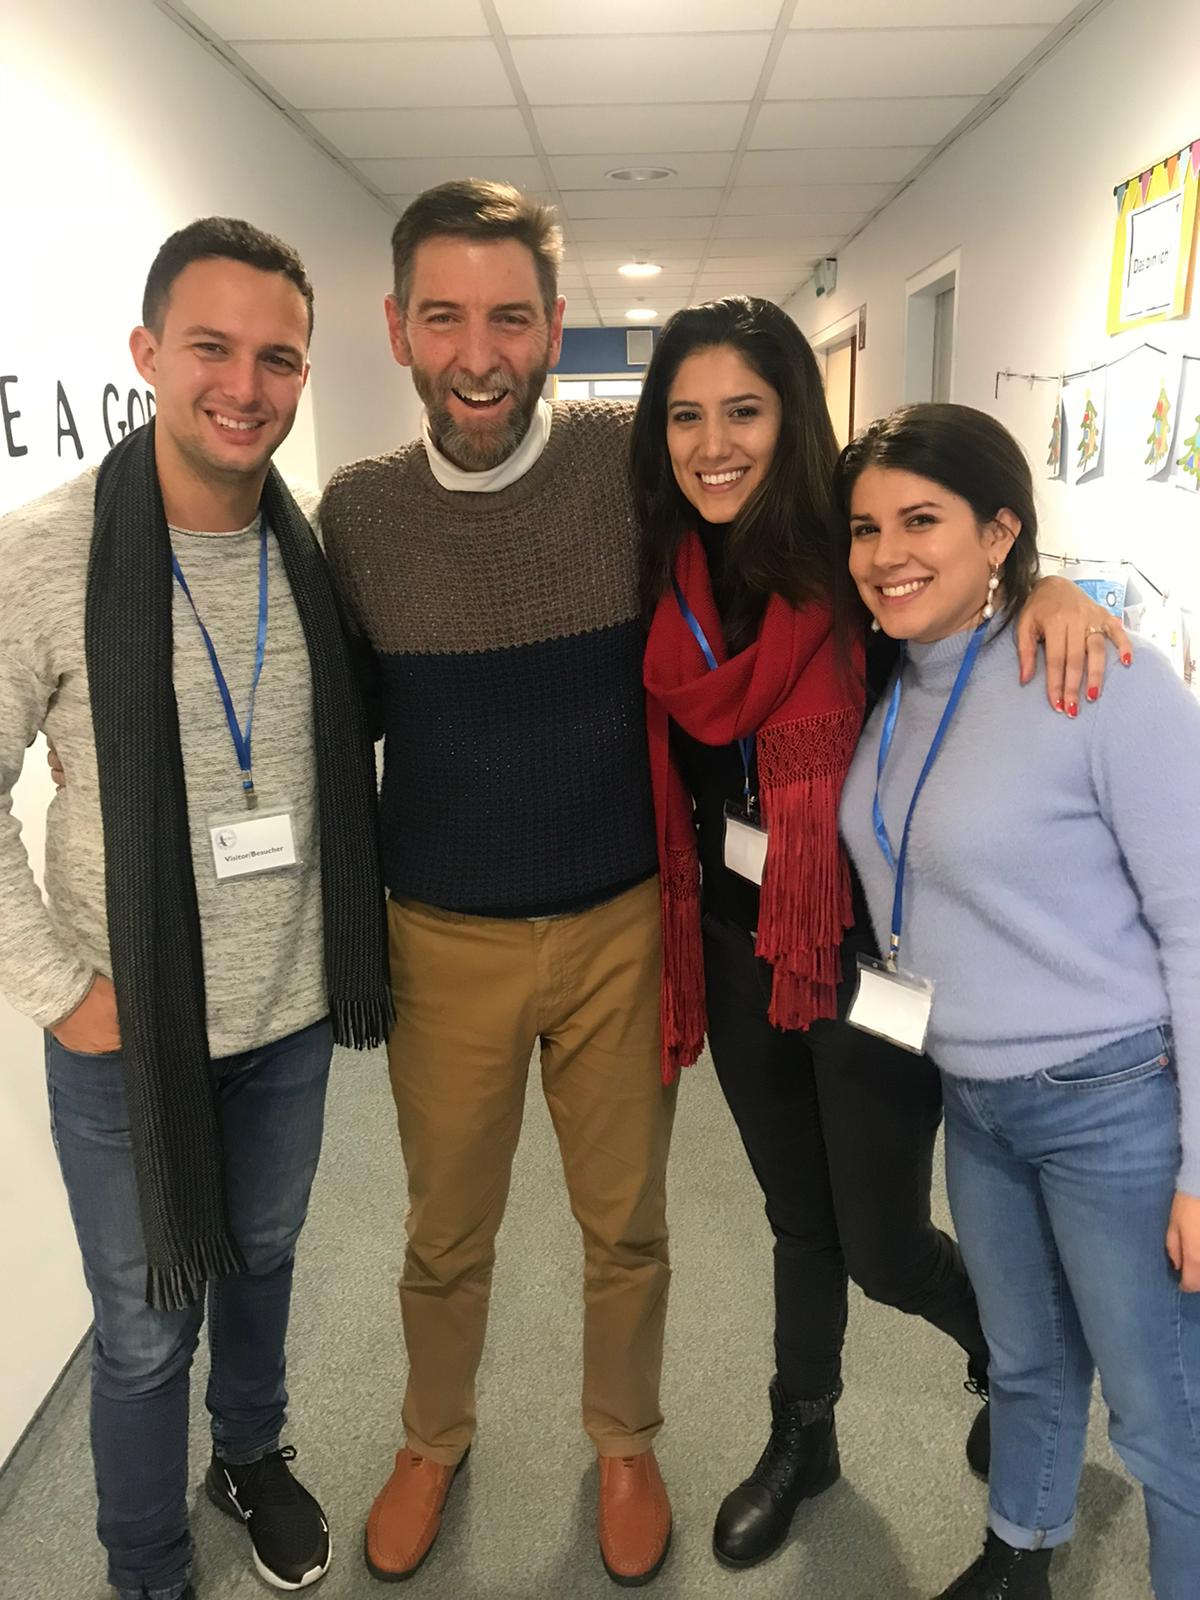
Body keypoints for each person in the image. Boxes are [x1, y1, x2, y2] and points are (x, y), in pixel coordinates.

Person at [630, 297, 1129, 1570]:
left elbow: (964, 601)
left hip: (864, 964)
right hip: (736, 946)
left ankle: (1015, 1360)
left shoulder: (855, 569)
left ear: (793, 417)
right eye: (685, 415)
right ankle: (805, 1434)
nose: (714, 443)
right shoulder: (663, 574)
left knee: (884, 1244)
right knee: (796, 1217)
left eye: (744, 410)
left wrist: (1049, 585)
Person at [0, 218, 392, 1600]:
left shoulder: (317, 547)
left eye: (278, 357)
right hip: (127, 1032)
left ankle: (249, 1454)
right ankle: (146, 1566)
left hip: (288, 1012)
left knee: (266, 1257)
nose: (246, 385)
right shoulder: (46, 555)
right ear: (148, 352)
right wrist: (62, 993)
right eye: (212, 348)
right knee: (144, 1327)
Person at [318, 180, 675, 1588]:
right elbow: (329, 719)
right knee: (445, 1228)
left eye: (512, 319)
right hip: (442, 937)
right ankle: (432, 1436)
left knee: (626, 1221)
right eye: (446, 318)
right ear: (395, 327)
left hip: (620, 923)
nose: (480, 357)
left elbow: (797, 552)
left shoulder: (626, 469)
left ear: (556, 324)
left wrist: (1026, 584)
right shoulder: (359, 515)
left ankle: (626, 1439)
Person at [836, 403, 1200, 1600]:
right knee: (1027, 1361)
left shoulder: (1100, 678)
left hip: (1115, 1104)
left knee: (1165, 1415)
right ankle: (1020, 1555)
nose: (887, 553)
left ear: (999, 532)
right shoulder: (895, 681)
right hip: (976, 1100)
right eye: (866, 528)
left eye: (921, 521)